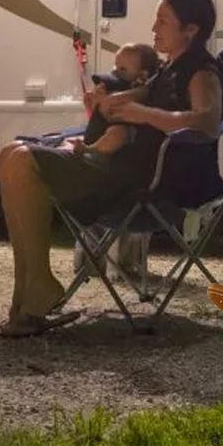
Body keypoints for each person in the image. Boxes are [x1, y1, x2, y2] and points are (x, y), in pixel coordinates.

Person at [0, 0, 223, 337]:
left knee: (22, 161)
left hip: (135, 183)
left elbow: (206, 121)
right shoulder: (169, 70)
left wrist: (142, 113)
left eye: (163, 21)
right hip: (112, 167)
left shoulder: (201, 72)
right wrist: (113, 102)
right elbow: (141, 99)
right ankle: (26, 292)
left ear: (190, 30)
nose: (154, 28)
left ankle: (38, 287)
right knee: (9, 153)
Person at [70, 43, 161, 282]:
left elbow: (115, 137)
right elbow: (101, 130)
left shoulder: (132, 109)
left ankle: (100, 261)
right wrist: (94, 109)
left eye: (122, 70)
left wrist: (87, 149)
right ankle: (99, 259)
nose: (114, 73)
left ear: (142, 77)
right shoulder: (132, 102)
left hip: (115, 184)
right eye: (115, 67)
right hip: (115, 182)